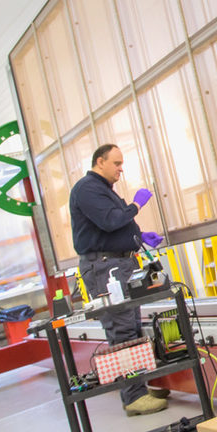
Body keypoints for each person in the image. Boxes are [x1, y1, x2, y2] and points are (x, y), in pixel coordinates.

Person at [70, 143, 168, 416]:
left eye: (121, 164)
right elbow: (111, 221)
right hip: (105, 268)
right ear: (99, 161)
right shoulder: (87, 189)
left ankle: (137, 388)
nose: (120, 169)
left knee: (131, 326)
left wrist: (139, 236)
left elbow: (117, 226)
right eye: (116, 163)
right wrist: (136, 204)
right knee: (122, 330)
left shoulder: (103, 191)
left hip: (119, 263)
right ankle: (133, 397)